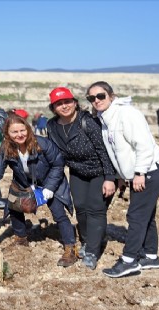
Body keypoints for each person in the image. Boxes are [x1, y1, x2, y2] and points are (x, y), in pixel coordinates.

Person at [86, 81, 159, 278]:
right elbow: (118, 152)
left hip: (150, 170)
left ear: (111, 96)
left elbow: (144, 145)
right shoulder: (105, 118)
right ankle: (150, 256)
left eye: (100, 96)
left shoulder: (126, 114)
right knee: (146, 214)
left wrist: (139, 173)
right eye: (91, 98)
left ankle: (129, 261)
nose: (96, 101)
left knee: (136, 216)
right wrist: (122, 177)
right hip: (137, 173)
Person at [0, 113, 77, 265]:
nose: (19, 135)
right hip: (23, 182)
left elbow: (58, 164)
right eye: (14, 132)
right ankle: (21, 239)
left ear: (28, 129)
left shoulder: (42, 143)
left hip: (50, 181)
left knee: (59, 214)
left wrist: (49, 188)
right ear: (7, 134)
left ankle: (71, 248)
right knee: (14, 208)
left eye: (22, 130)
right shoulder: (5, 148)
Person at [46, 87, 116, 269]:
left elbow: (103, 150)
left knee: (96, 209)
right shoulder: (52, 126)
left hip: (99, 170)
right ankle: (86, 242)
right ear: (53, 108)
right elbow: (54, 154)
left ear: (75, 103)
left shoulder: (88, 122)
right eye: (59, 104)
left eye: (67, 102)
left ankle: (92, 251)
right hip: (77, 171)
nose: (64, 106)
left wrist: (109, 177)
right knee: (81, 209)